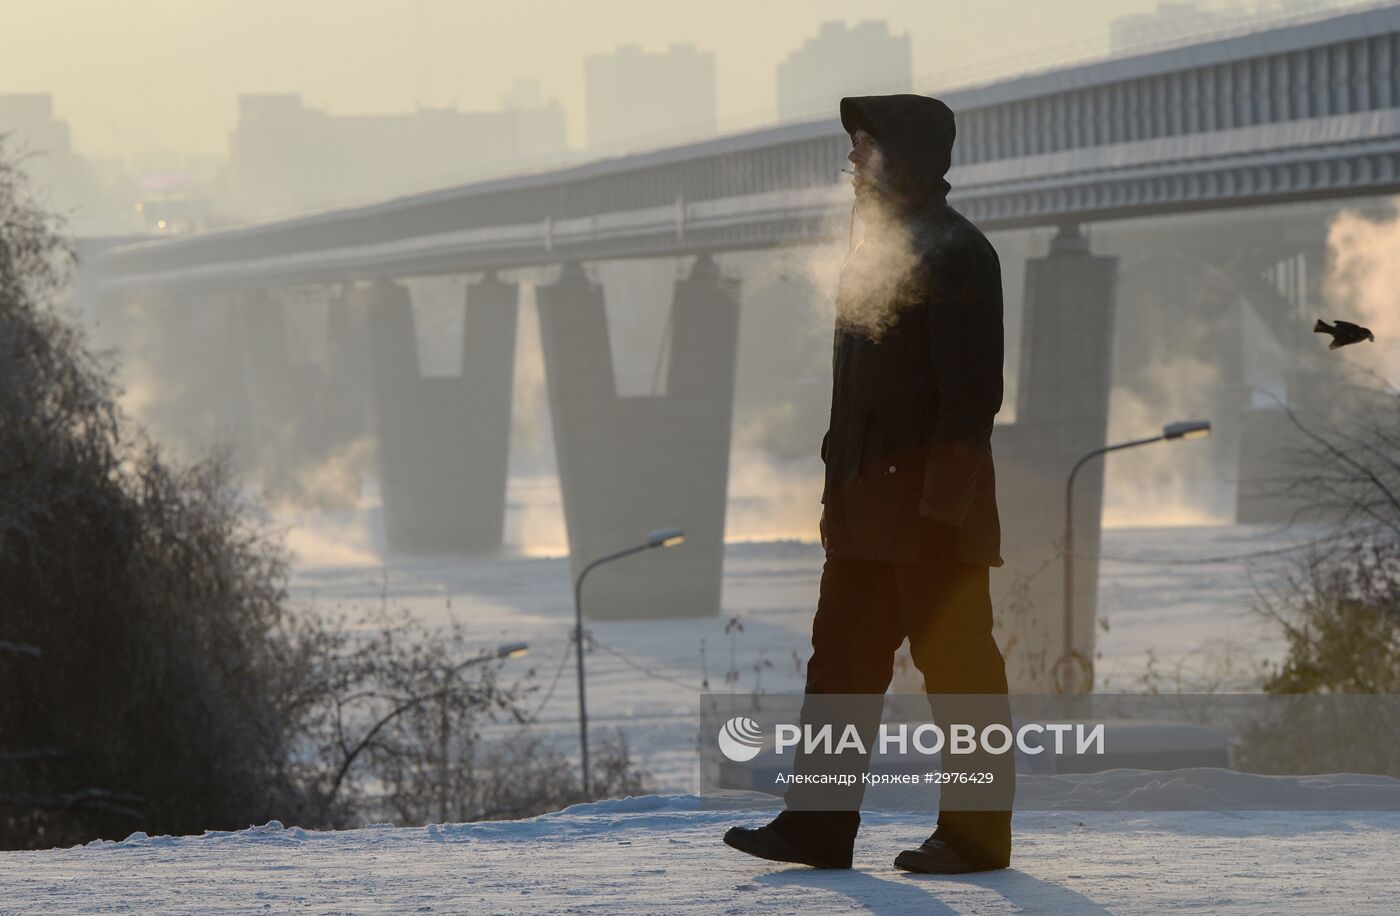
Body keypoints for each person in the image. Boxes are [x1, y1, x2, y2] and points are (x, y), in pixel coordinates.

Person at [723, 94, 1015, 874]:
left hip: (927, 517)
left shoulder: (957, 253)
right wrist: (840, 502)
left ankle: (977, 837)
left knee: (958, 676)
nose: (851, 161)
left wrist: (939, 514)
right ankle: (818, 827)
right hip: (866, 516)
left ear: (906, 155)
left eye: (865, 146)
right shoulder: (879, 249)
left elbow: (970, 402)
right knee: (840, 663)